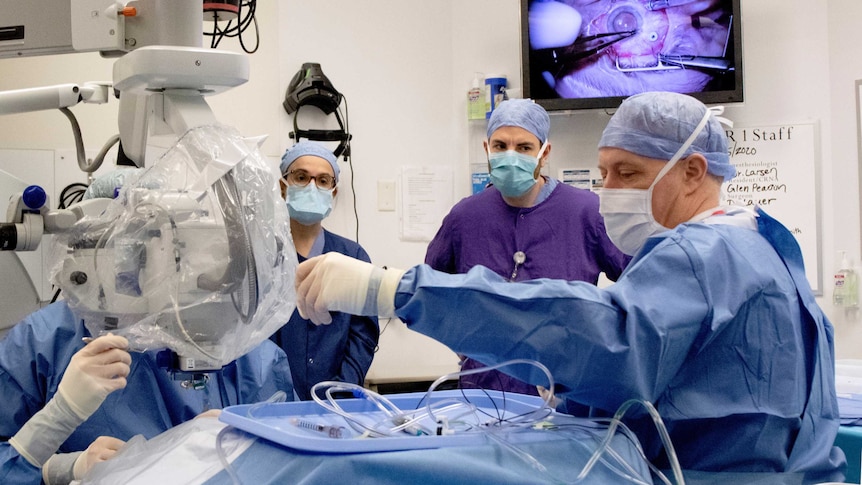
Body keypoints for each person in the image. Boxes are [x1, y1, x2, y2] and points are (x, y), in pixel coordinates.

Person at [293, 92, 845, 482]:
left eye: (626, 174)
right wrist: (586, 400)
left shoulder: (700, 253)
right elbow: (688, 365)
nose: (606, 191)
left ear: (693, 171)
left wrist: (390, 289)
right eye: (602, 172)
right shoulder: (762, 237)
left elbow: (604, 330)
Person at [425, 98, 629, 396]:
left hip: (565, 389)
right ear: (487, 150)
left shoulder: (586, 212)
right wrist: (458, 337)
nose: (511, 156)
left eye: (523, 148)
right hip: (485, 391)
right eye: (500, 146)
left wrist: (601, 344)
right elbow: (431, 288)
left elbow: (638, 284)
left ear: (544, 152)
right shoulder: (466, 217)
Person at [0, 301, 294, 485]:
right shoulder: (46, 340)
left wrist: (245, 446)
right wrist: (61, 469)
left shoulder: (247, 351)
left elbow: (292, 470)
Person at [270, 140, 378, 400]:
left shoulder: (353, 257)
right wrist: (271, 395)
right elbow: (250, 339)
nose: (311, 186)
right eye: (301, 177)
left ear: (333, 192)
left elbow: (362, 337)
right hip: (270, 403)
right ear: (283, 188)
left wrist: (340, 394)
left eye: (322, 180)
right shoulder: (263, 256)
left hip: (336, 405)